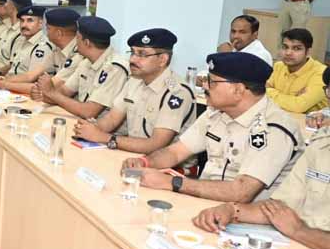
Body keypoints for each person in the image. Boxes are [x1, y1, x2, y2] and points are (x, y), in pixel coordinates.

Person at [122, 52, 301, 203]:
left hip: (245, 219)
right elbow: (176, 152)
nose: (204, 85)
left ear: (238, 90)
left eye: (212, 81)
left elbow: (241, 192)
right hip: (204, 201)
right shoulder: (215, 113)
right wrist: (145, 162)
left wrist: (170, 182)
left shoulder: (274, 129)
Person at [193, 67, 330, 249]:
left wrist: (300, 231)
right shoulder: (322, 143)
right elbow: (279, 208)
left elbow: (293, 226)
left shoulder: (280, 128)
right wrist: (232, 210)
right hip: (300, 247)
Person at [74, 28, 197, 156]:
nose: (132, 59)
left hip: (167, 164)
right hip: (134, 154)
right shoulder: (135, 81)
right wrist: (90, 129)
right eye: (132, 52)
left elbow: (155, 144)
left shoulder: (177, 92)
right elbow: (111, 119)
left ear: (162, 59)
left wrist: (103, 137)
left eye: (142, 54)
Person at [33, 16, 129, 119]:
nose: (75, 42)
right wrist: (43, 94)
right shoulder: (86, 62)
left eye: (77, 38)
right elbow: (64, 92)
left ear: (87, 43)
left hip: (101, 127)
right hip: (82, 121)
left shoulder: (115, 68)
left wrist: (51, 93)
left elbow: (89, 112)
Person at [0, 6, 55, 94]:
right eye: (22, 21)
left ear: (40, 23)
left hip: (24, 92)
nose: (24, 25)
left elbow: (30, 78)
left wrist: (1, 82)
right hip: (9, 86)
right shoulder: (21, 41)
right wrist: (0, 79)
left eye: (30, 20)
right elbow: (13, 68)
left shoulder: (42, 47)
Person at [265, 28, 326, 113]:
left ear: (308, 52)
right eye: (285, 47)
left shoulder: (321, 73)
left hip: (310, 120)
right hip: (279, 116)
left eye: (296, 48)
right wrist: (293, 100)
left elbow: (298, 106)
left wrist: (268, 91)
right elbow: (260, 93)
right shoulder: (279, 66)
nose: (288, 53)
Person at [0, 0, 31, 74]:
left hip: (2, 76)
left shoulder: (20, 33)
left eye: (7, 2)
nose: (4, 5)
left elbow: (12, 65)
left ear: (12, 6)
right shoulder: (8, 29)